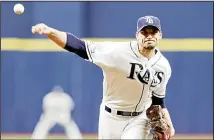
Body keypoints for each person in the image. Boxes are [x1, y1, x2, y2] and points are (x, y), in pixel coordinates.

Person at [31, 15, 175, 139]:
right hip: (111, 116)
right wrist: (50, 32)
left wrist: (170, 125)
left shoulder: (163, 66)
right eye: (145, 32)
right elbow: (79, 46)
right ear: (137, 35)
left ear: (160, 35)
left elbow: (158, 101)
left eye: (153, 32)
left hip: (139, 119)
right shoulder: (117, 52)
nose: (149, 36)